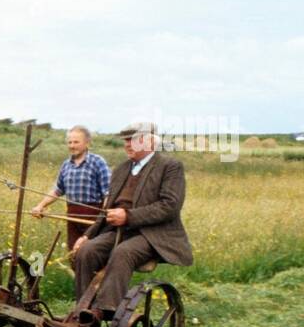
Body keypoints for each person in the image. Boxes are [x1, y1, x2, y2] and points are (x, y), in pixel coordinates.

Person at [72, 122, 193, 317]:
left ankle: (106, 309)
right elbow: (107, 209)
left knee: (123, 252)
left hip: (153, 235)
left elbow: (170, 206)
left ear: (151, 142)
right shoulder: (121, 169)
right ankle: (83, 310)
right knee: (86, 251)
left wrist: (128, 216)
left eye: (134, 140)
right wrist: (87, 236)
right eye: (126, 140)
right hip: (119, 230)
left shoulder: (170, 167)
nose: (128, 145)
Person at [30, 126, 110, 253]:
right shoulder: (66, 165)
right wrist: (40, 206)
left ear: (87, 143)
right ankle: (79, 273)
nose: (72, 145)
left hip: (93, 216)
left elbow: (108, 193)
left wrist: (103, 216)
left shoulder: (97, 162)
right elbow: (57, 190)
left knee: (92, 252)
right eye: (70, 142)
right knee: (73, 252)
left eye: (76, 142)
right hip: (72, 215)